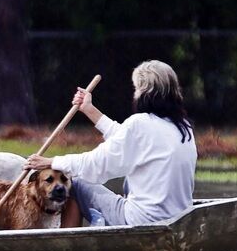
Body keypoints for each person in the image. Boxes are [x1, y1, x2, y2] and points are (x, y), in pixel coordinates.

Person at [26, 60, 197, 228]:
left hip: (142, 222)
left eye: (136, 89)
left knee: (75, 183)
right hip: (179, 221)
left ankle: (66, 248)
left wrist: (52, 162)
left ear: (144, 91)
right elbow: (126, 139)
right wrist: (88, 109)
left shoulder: (140, 124)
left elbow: (96, 165)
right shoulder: (183, 127)